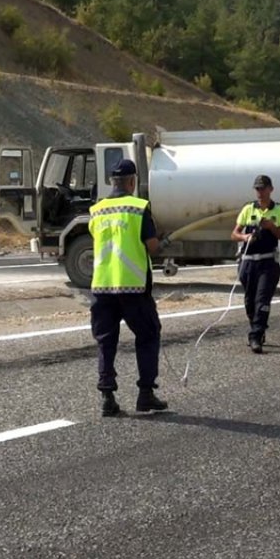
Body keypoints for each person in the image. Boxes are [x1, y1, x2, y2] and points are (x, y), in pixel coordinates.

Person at [88, 158, 168, 417]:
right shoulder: (139, 207)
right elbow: (152, 246)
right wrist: (163, 242)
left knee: (105, 341)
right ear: (133, 182)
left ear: (112, 182)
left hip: (102, 285)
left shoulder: (97, 210)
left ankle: (107, 396)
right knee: (148, 334)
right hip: (133, 287)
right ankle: (145, 393)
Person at [232, 174, 280, 354]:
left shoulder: (279, 210)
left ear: (270, 189)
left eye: (263, 188)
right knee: (250, 302)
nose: (260, 192)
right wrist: (245, 237)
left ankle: (256, 336)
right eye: (257, 189)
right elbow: (234, 233)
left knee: (262, 300)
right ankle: (257, 327)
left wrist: (271, 227)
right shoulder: (248, 209)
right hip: (248, 263)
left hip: (268, 263)